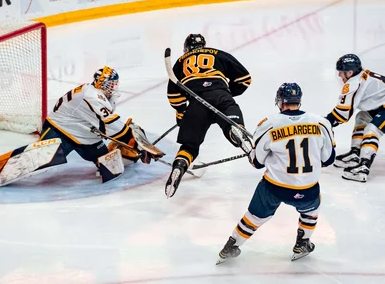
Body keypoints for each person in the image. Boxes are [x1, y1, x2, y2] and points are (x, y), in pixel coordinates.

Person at [0, 66, 161, 187]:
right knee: (42, 158)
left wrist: (134, 146)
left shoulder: (102, 95)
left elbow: (103, 123)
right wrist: (134, 141)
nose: (114, 88)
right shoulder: (93, 95)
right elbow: (111, 123)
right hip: (61, 130)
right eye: (111, 84)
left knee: (111, 166)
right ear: (102, 84)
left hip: (86, 136)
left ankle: (130, 151)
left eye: (115, 84)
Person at [216, 83, 335, 264]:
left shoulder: (268, 124)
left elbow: (257, 162)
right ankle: (302, 243)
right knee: (312, 209)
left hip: (275, 187)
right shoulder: (321, 123)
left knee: (254, 216)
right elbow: (328, 159)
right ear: (299, 101)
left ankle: (231, 246)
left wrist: (255, 152)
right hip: (307, 188)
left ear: (280, 102)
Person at [165, 33, 253, 198]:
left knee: (190, 146)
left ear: (186, 49)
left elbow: (174, 97)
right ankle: (236, 131)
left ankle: (180, 165)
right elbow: (245, 79)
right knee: (232, 125)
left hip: (197, 103)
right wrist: (226, 92)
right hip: (221, 96)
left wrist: (182, 113)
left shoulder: (180, 61)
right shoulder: (217, 53)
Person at [325, 54, 385, 182]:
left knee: (371, 130)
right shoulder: (361, 75)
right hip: (381, 106)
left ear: (350, 72)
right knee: (362, 117)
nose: (339, 75)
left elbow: (343, 113)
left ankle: (364, 167)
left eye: (341, 72)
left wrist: (326, 122)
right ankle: (355, 153)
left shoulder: (353, 83)